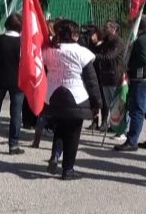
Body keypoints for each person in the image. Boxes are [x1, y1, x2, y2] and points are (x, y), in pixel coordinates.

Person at [43, 19, 101, 180]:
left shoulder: (49, 50)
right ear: (74, 35)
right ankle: (68, 169)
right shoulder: (81, 52)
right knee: (73, 135)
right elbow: (91, 81)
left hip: (53, 96)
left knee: (60, 129)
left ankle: (55, 155)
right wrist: (97, 103)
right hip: (76, 96)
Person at [115, 15, 146, 152]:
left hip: (143, 81)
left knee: (137, 111)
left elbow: (143, 60)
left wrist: (128, 66)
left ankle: (132, 141)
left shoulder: (142, 40)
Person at [0, 13, 24, 154]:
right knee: (16, 113)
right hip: (17, 81)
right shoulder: (23, 42)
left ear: (7, 24)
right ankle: (13, 144)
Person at [91, 21, 124, 132]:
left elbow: (110, 56)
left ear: (114, 29)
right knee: (109, 103)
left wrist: (93, 56)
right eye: (104, 27)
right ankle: (112, 125)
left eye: (106, 28)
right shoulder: (105, 42)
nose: (104, 29)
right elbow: (98, 51)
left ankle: (119, 127)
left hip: (114, 75)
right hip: (105, 75)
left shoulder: (117, 42)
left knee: (116, 104)